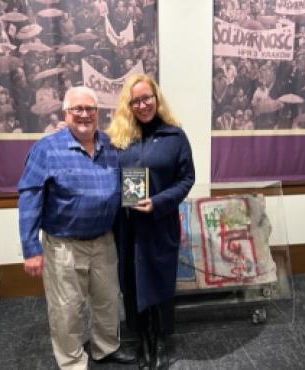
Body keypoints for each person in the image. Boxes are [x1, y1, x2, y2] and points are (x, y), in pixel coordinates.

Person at [18, 86, 135, 370]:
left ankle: (105, 348)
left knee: (107, 301)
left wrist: (142, 202)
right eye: (77, 109)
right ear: (65, 114)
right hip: (63, 245)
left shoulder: (111, 145)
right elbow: (29, 198)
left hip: (104, 241)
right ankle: (71, 361)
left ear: (98, 113)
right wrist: (31, 249)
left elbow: (131, 183)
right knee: (67, 308)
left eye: (90, 109)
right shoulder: (46, 149)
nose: (84, 115)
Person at [106, 74, 195, 370]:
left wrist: (159, 202)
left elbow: (187, 179)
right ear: (128, 105)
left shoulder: (175, 136)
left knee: (158, 282)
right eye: (136, 101)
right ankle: (141, 338)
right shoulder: (118, 140)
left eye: (147, 98)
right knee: (131, 283)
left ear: (156, 98)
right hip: (127, 227)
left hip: (159, 224)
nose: (143, 105)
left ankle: (158, 341)